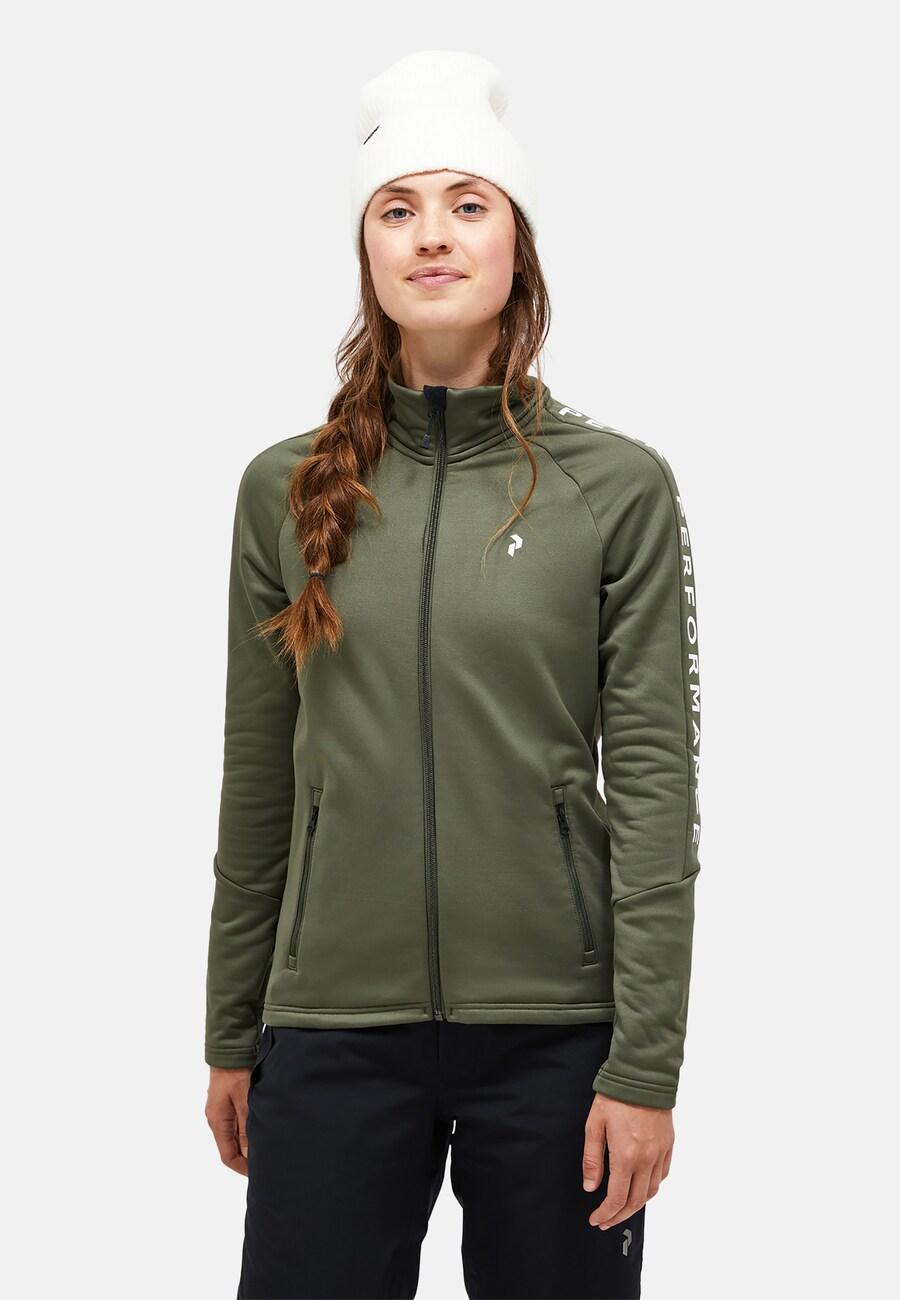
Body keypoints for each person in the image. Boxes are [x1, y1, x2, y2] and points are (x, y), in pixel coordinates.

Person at [203, 48, 703, 1300]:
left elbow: (655, 794)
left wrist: (645, 1063)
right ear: (366, 253)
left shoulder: (615, 488)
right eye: (397, 209)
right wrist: (231, 1028)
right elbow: (259, 779)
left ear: (516, 246)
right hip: (330, 1031)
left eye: (467, 204)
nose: (432, 235)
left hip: (558, 1044)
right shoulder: (284, 489)